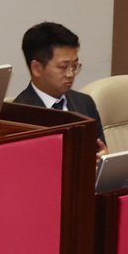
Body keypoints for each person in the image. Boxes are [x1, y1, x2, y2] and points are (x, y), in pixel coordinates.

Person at [11, 21, 107, 155]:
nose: (70, 74)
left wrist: (102, 158)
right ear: (36, 68)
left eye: (74, 65)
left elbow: (100, 149)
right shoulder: (17, 116)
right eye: (63, 67)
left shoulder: (85, 103)